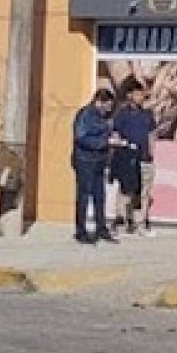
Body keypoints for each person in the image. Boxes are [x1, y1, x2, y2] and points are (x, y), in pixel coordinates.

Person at [71, 88, 123, 245]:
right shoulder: (85, 115)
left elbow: (105, 133)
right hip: (85, 160)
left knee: (100, 196)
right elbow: (81, 137)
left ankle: (101, 228)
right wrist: (104, 142)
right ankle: (81, 231)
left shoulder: (105, 117)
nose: (109, 109)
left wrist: (113, 137)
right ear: (99, 101)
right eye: (107, 105)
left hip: (100, 160)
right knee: (84, 196)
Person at [111, 79, 157, 236]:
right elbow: (116, 135)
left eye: (142, 93)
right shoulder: (121, 115)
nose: (141, 96)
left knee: (143, 192)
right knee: (125, 191)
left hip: (144, 159)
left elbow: (151, 134)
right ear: (130, 95)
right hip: (127, 158)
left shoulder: (147, 114)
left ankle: (140, 223)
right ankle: (121, 221)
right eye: (138, 93)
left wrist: (151, 153)